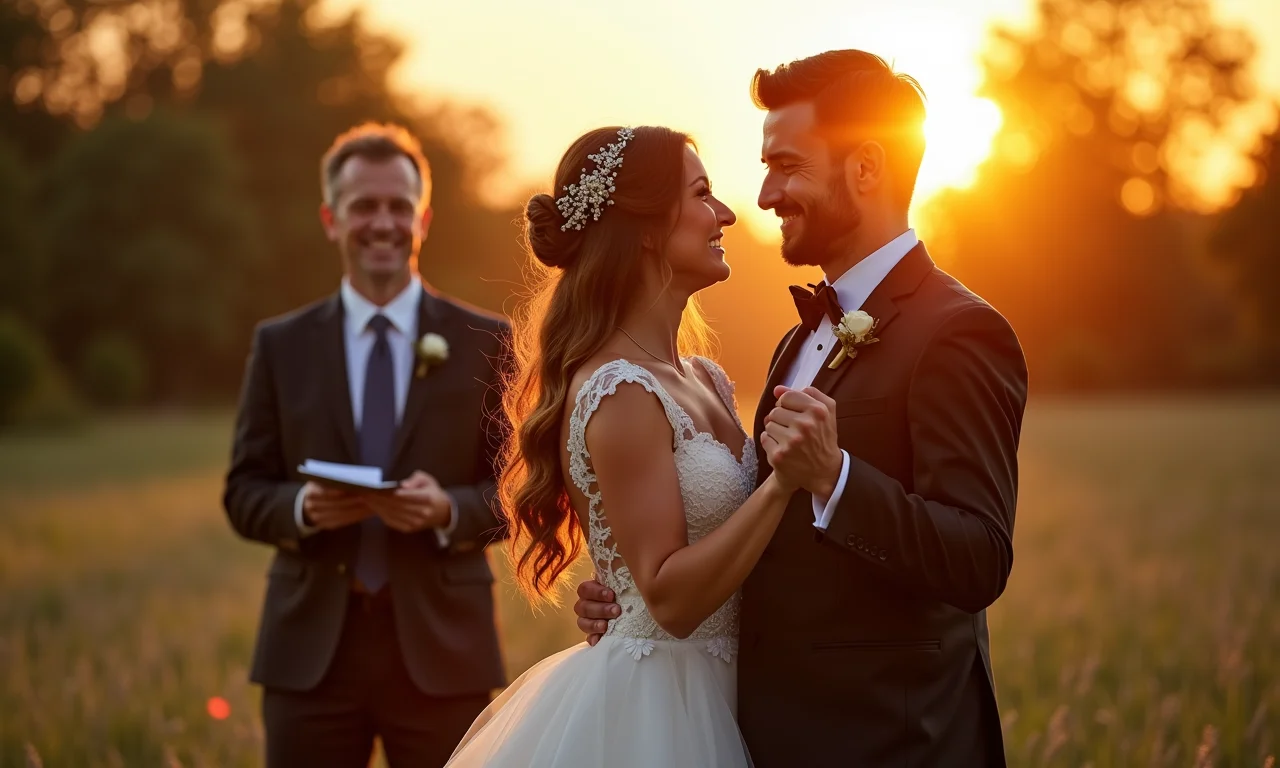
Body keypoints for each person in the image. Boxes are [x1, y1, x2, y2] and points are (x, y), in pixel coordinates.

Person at [572, 50, 1030, 766]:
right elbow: (751, 527)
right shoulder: (797, 340)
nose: (763, 195)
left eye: (787, 166)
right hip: (762, 734)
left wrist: (837, 477)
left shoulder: (958, 331)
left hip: (894, 745)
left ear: (867, 168)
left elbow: (977, 559)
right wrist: (630, 595)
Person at [445, 124, 822, 766]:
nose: (726, 212)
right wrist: (785, 480)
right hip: (659, 707)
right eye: (702, 193)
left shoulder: (704, 379)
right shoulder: (618, 390)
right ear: (646, 229)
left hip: (741, 687)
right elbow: (669, 597)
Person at [223, 122, 509, 767]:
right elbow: (243, 492)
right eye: (363, 207)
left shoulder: (484, 340)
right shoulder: (281, 344)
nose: (382, 223)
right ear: (331, 218)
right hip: (310, 654)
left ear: (424, 218)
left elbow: (519, 491)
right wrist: (302, 510)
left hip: (444, 652)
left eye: (398, 207)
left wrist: (447, 510)